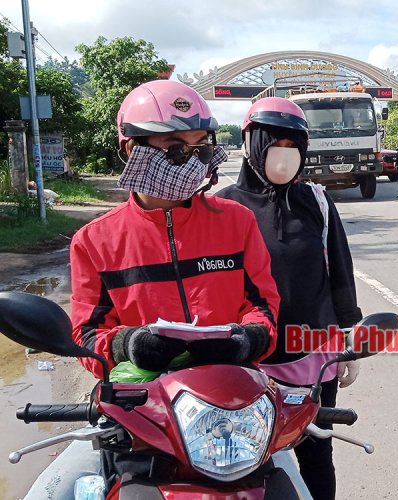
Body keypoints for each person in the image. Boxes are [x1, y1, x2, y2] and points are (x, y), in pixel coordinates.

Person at [69, 80, 281, 484]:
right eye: (175, 148)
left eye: (200, 147)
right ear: (133, 149)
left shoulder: (236, 221)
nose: (191, 160)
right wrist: (126, 344)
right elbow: (84, 333)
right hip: (143, 418)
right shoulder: (95, 242)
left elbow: (264, 306)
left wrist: (246, 339)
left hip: (232, 409)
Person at [216, 97, 363, 500]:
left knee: (317, 453)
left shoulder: (316, 202)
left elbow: (339, 274)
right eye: (274, 144)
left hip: (313, 356)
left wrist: (348, 343)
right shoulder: (222, 206)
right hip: (248, 359)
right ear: (251, 144)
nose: (285, 156)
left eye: (294, 146)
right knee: (245, 454)